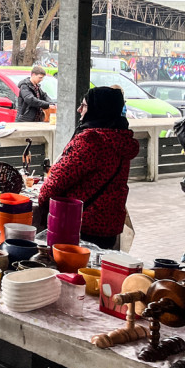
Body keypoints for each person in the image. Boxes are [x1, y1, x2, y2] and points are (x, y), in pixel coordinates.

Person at [38, 87, 139, 250]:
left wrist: (42, 202)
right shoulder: (122, 139)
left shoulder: (91, 140)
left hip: (81, 224)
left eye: (84, 106)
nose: (79, 110)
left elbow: (57, 181)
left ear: (98, 109)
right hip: (109, 225)